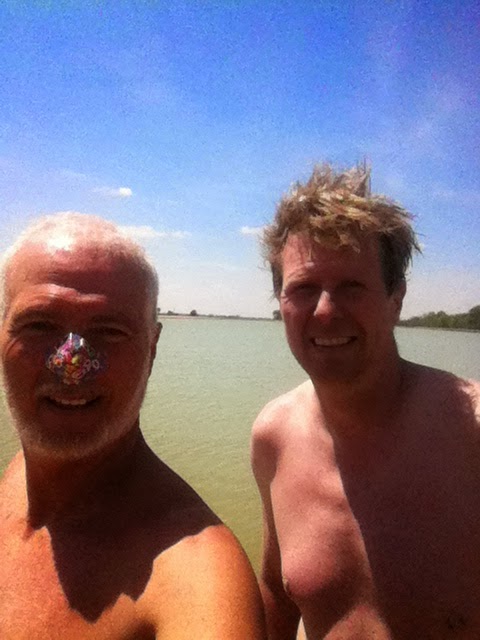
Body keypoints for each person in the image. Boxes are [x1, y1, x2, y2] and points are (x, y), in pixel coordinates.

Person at [0, 213, 266, 639]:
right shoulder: (18, 474)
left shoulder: (196, 575)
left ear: (152, 348)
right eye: (40, 325)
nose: (71, 363)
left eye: (109, 331)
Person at [251, 164, 480, 639]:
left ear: (396, 298)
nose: (325, 311)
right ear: (280, 302)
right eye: (303, 289)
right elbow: (276, 590)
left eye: (351, 287)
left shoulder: (471, 430)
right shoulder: (273, 436)